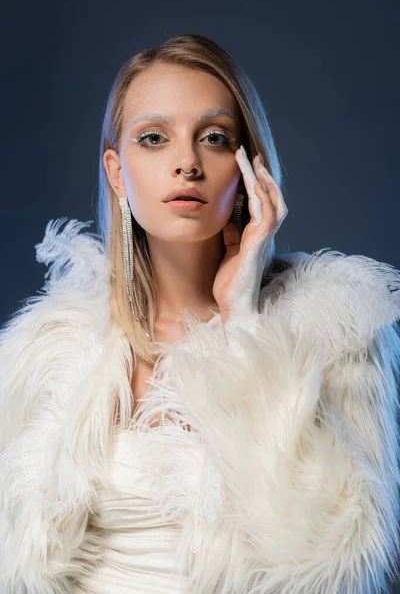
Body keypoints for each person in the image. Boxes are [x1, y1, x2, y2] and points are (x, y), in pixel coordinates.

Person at [0, 33, 399, 594]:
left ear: (248, 174)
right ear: (117, 172)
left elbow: (340, 568)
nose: (186, 163)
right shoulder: (43, 349)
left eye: (213, 138)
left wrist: (244, 327)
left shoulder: (337, 336)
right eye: (154, 138)